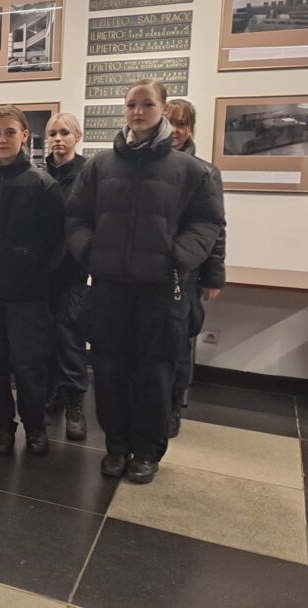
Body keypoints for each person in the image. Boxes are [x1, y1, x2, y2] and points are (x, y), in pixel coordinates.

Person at [66, 79, 224, 484]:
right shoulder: (100, 166)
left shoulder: (191, 170)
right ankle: (117, 446)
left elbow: (207, 224)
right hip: (109, 288)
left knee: (155, 374)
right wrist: (91, 251)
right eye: (131, 104)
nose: (138, 112)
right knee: (109, 371)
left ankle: (147, 452)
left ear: (163, 109)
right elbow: (76, 216)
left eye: (147, 104)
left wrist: (177, 257)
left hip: (161, 290)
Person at [0, 107, 65, 455]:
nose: (2, 139)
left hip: (26, 296)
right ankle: (2, 426)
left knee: (28, 366)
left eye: (10, 132)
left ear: (24, 136)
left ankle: (35, 427)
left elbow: (56, 242)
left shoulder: (42, 184)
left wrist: (31, 269)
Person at [166, 98, 227, 438]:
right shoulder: (143, 166)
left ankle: (172, 406)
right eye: (170, 122)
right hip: (148, 273)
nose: (175, 130)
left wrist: (213, 275)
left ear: (190, 129)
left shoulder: (205, 171)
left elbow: (216, 227)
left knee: (178, 345)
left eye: (182, 124)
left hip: (186, 274)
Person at [43, 112, 90, 441]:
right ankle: (52, 394)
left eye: (64, 133)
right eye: (53, 133)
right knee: (45, 335)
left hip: (72, 268)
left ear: (77, 137)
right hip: (42, 269)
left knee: (69, 334)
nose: (58, 139)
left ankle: (75, 402)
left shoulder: (89, 175)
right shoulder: (39, 174)